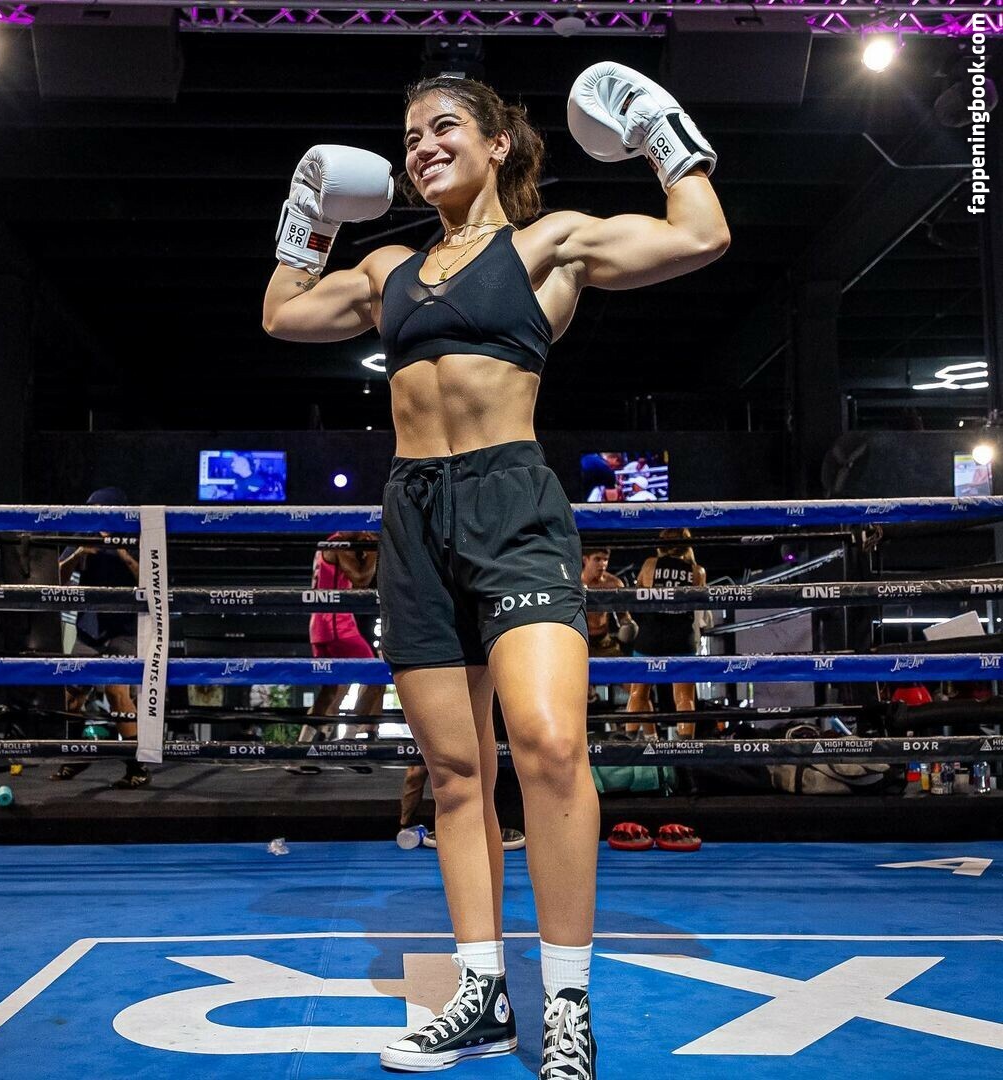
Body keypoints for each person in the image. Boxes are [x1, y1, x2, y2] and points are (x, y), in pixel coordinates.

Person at [263, 61, 727, 1077]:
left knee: (551, 746)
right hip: (413, 512)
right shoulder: (388, 268)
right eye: (410, 137)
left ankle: (566, 1002)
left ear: (497, 143)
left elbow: (701, 234)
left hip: (512, 504)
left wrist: (660, 130)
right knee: (456, 772)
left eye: (443, 129)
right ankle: (482, 993)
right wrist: (308, 215)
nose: (421, 147)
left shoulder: (547, 244)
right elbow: (282, 313)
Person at [51, 486, 150, 789]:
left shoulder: (138, 539)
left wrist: (120, 551)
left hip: (124, 628)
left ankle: (137, 767)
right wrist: (79, 553)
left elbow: (150, 582)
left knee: (116, 691)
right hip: (90, 627)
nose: (95, 516)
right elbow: (57, 579)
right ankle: (77, 755)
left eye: (100, 511)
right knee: (71, 696)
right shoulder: (84, 535)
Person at [625, 528, 707, 740]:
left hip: (651, 635)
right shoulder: (697, 571)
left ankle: (627, 741)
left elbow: (636, 595)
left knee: (638, 692)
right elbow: (699, 608)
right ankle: (686, 747)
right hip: (681, 637)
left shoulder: (650, 564)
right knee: (685, 697)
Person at [304, 530, 383, 740]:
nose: (365, 533)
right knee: (377, 677)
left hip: (318, 626)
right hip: (338, 625)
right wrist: (373, 551)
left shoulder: (328, 545)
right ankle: (349, 738)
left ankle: (303, 746)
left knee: (330, 688)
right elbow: (361, 579)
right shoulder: (339, 544)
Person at [580, 547, 637, 704]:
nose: (602, 564)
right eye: (597, 559)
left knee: (634, 686)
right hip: (579, 644)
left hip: (605, 644)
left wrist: (628, 625)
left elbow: (623, 615)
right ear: (585, 559)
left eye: (605, 560)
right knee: (573, 689)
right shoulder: (574, 583)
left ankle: (644, 721)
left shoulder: (613, 583)